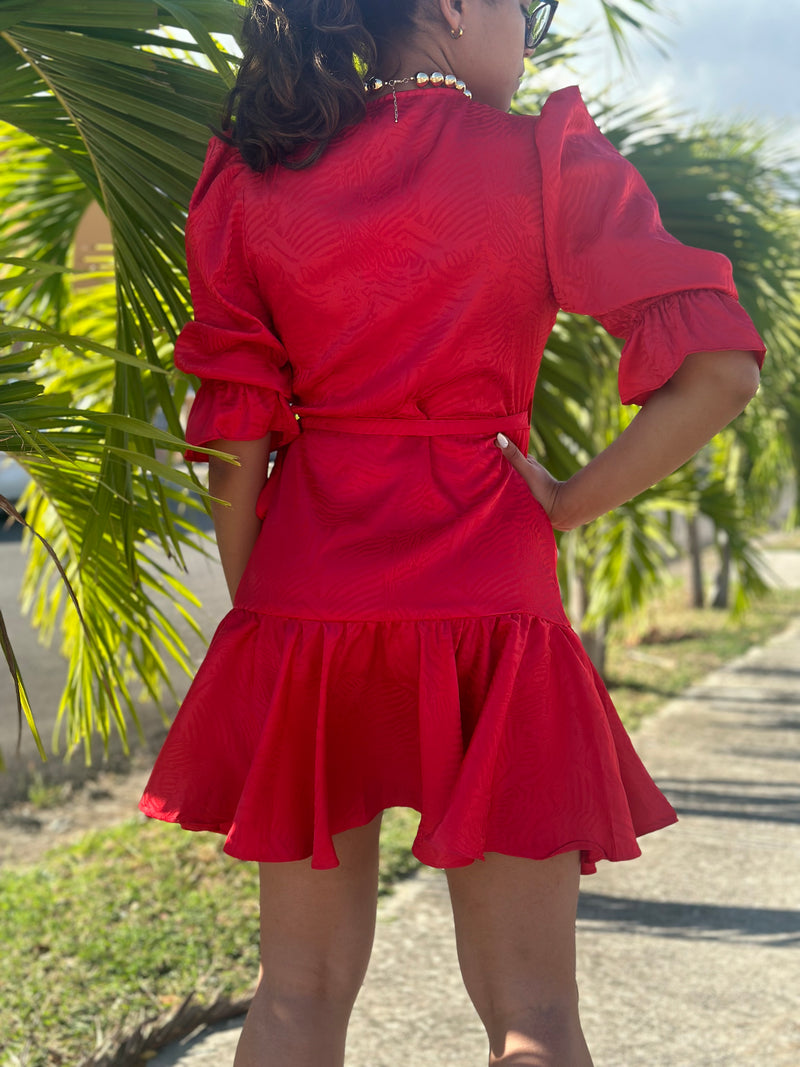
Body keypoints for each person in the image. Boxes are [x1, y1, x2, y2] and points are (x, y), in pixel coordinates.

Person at [139, 0, 765, 1063]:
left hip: (308, 590)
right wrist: (565, 499)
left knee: (292, 993)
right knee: (534, 1011)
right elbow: (718, 370)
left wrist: (264, 611)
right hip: (488, 590)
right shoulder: (540, 158)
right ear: (455, 7)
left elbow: (233, 436)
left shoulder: (250, 175)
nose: (528, 35)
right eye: (529, 11)